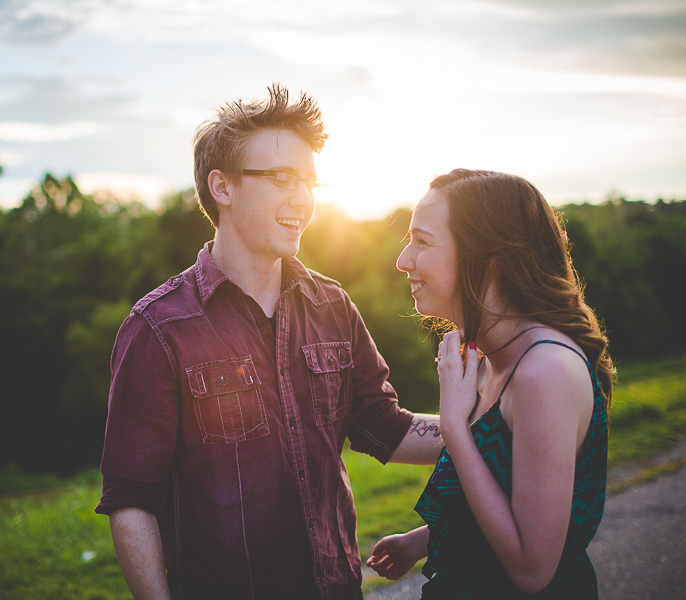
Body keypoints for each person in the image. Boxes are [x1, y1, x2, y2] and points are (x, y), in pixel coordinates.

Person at [95, 84, 445, 600]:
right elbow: (131, 498)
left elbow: (388, 429)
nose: (302, 198)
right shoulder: (159, 328)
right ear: (223, 187)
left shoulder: (332, 307)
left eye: (308, 180)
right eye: (282, 178)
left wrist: (495, 425)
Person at [366, 169, 614, 599]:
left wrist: (455, 428)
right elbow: (508, 496)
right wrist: (420, 541)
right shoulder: (491, 358)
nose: (403, 260)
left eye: (422, 242)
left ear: (486, 257)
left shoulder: (544, 372)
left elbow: (532, 570)